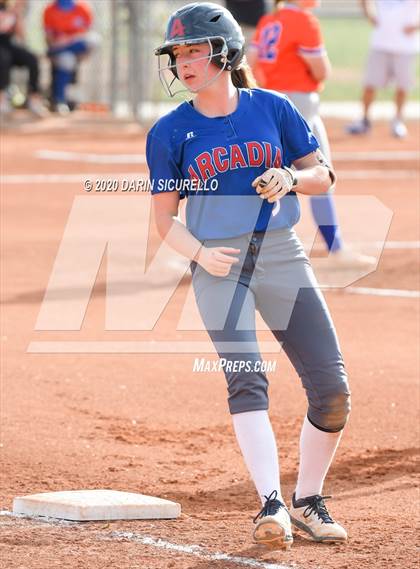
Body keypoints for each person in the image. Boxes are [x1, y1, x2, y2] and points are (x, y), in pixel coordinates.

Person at [147, 1, 350, 549]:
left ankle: (308, 498)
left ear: (226, 53)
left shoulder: (274, 107)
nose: (184, 63)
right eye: (178, 54)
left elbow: (323, 175)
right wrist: (200, 253)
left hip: (282, 254)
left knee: (332, 392)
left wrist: (289, 176)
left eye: (195, 50)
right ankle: (271, 503)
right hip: (218, 265)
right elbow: (164, 220)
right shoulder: (170, 132)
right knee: (247, 378)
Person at [247, 0, 375, 268]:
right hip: (301, 105)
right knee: (320, 174)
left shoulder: (268, 21)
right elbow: (321, 69)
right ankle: (336, 248)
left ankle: (242, 251)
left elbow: (251, 62)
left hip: (268, 103)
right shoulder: (304, 21)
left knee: (264, 180)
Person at [347, 0, 420, 138]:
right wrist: (369, 15)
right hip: (380, 44)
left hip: (406, 47)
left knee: (403, 87)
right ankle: (364, 120)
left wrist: (416, 26)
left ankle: (398, 121)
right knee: (369, 85)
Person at [43, 0, 97, 114]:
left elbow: (88, 32)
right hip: (59, 49)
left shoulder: (82, 7)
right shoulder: (50, 10)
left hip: (74, 47)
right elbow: (49, 38)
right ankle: (60, 100)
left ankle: (62, 98)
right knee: (66, 60)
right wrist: (57, 43)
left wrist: (68, 40)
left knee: (94, 39)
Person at [0, 0, 47, 117]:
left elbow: (21, 36)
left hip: (8, 43)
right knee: (3, 59)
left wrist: (17, 14)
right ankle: (2, 98)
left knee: (32, 59)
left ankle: (34, 98)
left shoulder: (10, 10)